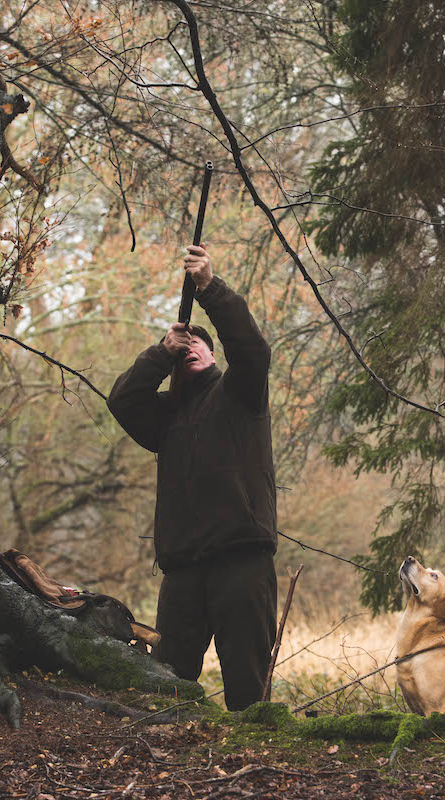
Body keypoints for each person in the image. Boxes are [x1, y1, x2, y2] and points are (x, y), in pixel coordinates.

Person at [107, 244, 277, 711]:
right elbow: (122, 401)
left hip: (241, 562)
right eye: (184, 348)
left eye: (198, 344)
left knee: (249, 693)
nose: (190, 350)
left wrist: (209, 287)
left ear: (213, 352)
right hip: (181, 571)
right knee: (167, 688)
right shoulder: (167, 418)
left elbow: (251, 349)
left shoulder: (240, 393)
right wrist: (162, 353)